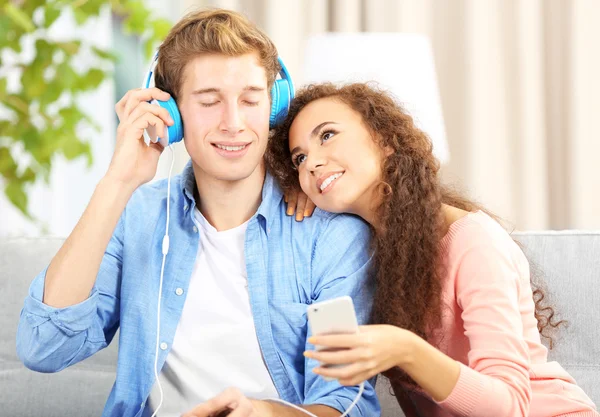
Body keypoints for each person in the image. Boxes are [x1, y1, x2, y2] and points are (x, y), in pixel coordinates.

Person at [16, 10, 380, 417]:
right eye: (209, 101)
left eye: (250, 99)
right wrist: (118, 181)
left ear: (274, 106)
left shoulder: (330, 237)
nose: (234, 123)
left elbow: (347, 405)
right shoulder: (139, 215)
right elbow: (44, 346)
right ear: (170, 114)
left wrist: (261, 414)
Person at [267, 82, 599, 417]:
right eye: (300, 158)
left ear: (386, 141)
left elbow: (508, 406)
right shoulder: (365, 255)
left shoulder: (474, 241)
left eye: (326, 136)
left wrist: (406, 350)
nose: (311, 163)